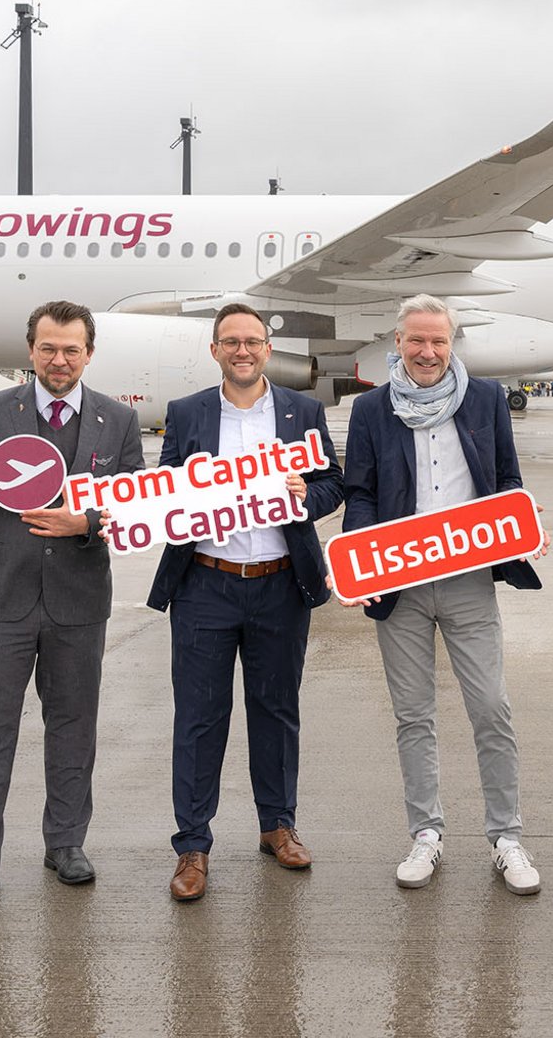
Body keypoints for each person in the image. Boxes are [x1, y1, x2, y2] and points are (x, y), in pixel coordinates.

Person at [340, 294, 544, 895]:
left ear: (452, 344)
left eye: (439, 341)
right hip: (399, 582)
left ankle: (506, 837)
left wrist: (518, 523)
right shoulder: (373, 409)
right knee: (413, 716)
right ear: (396, 342)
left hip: (468, 580)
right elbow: (362, 492)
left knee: (491, 709)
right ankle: (425, 835)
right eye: (417, 341)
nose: (428, 352)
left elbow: (507, 480)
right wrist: (363, 565)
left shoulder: (482, 401)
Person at [0, 301, 144, 917]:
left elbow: (134, 506)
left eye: (72, 350)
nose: (59, 361)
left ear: (89, 354)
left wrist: (83, 520)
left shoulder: (117, 421)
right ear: (31, 351)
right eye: (48, 349)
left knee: (73, 728)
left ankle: (65, 844)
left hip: (78, 602)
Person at [147, 304, 344, 902]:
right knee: (199, 718)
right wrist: (184, 489)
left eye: (252, 341)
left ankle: (277, 826)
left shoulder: (301, 411)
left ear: (266, 349)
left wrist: (305, 492)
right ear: (214, 350)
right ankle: (192, 847)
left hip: (279, 583)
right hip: (205, 583)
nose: (242, 350)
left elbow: (334, 482)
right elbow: (160, 490)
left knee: (277, 711)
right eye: (230, 341)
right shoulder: (186, 413)